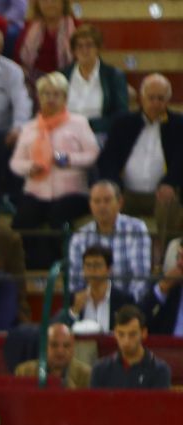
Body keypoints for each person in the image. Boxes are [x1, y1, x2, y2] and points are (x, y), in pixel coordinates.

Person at [9, 71, 99, 269]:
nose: (50, 99)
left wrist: (68, 160)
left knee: (57, 216)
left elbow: (93, 154)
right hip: (37, 191)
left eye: (56, 94)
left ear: (65, 98)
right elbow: (16, 162)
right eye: (46, 94)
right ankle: (32, 265)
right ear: (39, 98)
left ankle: (60, 265)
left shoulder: (79, 123)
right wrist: (28, 167)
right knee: (21, 220)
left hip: (72, 193)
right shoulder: (30, 128)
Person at [97, 75, 183, 251]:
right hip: (125, 191)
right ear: (141, 98)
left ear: (168, 101)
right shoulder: (123, 123)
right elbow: (107, 158)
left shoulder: (178, 124)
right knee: (106, 199)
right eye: (151, 97)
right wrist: (114, 186)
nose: (155, 103)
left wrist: (170, 183)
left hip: (160, 194)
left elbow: (181, 160)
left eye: (161, 98)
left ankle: (167, 256)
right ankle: (110, 253)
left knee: (170, 203)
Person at [66, 180, 150, 299]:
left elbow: (140, 279)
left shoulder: (136, 229)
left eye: (107, 200)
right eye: (97, 201)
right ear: (90, 205)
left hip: (126, 305)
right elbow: (75, 282)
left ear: (120, 202)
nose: (102, 206)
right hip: (90, 303)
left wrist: (122, 304)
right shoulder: (79, 237)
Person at [60, 25, 128, 139]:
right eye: (79, 46)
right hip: (66, 133)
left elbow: (121, 115)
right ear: (74, 50)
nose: (84, 50)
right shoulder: (63, 75)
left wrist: (88, 126)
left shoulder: (113, 76)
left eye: (89, 45)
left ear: (98, 48)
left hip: (100, 134)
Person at [89, 305, 171, 389]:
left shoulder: (159, 371)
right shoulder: (100, 370)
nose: (126, 341)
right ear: (115, 334)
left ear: (144, 333)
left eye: (132, 334)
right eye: (121, 334)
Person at [57, 245, 131, 333]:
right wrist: (74, 312)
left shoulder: (124, 300)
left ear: (109, 270)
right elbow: (58, 330)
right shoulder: (73, 298)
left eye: (97, 265)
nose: (92, 270)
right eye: (88, 265)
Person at [14, 0, 77, 86]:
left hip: (67, 82)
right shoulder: (29, 29)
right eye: (44, 1)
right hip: (33, 84)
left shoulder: (76, 28)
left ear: (63, 3)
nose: (50, 4)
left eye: (54, 1)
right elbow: (18, 61)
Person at [14, 321, 90, 387]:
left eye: (66, 346)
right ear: (44, 346)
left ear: (73, 348)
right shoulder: (24, 372)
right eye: (54, 345)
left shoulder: (86, 375)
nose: (60, 351)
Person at [141, 242, 183, 337]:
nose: (179, 263)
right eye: (178, 257)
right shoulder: (169, 287)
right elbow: (142, 321)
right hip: (168, 349)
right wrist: (161, 290)